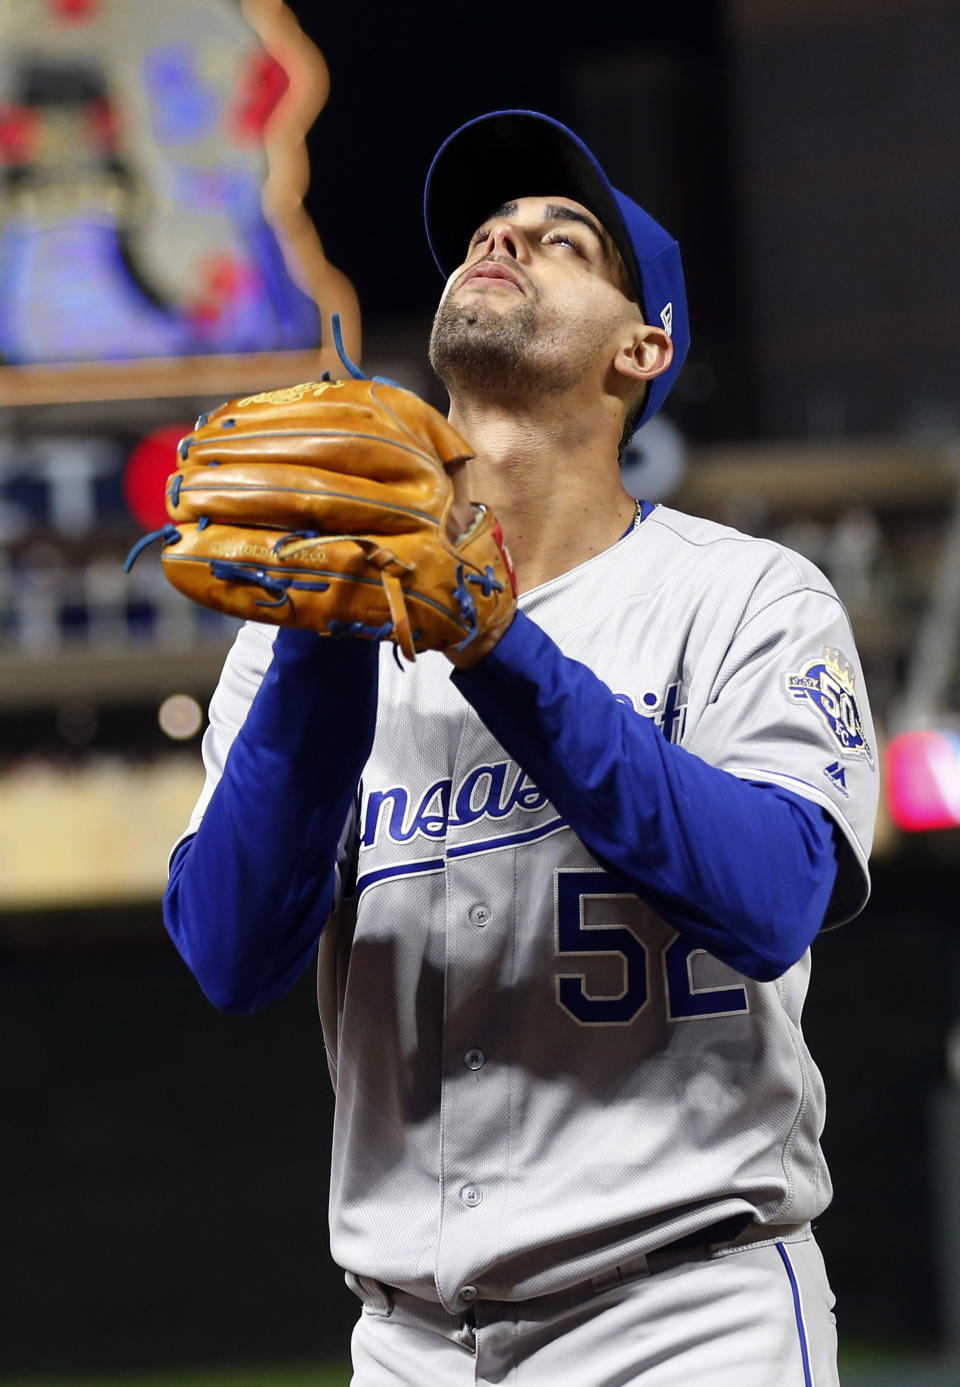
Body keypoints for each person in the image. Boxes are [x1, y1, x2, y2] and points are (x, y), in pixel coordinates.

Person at [164, 110, 878, 1385]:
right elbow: (228, 951)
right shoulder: (292, 644)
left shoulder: (748, 598)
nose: (505, 240)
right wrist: (327, 640)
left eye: (565, 243)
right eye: (489, 233)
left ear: (640, 346)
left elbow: (773, 899)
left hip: (684, 1318)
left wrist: (496, 642)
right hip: (405, 1342)